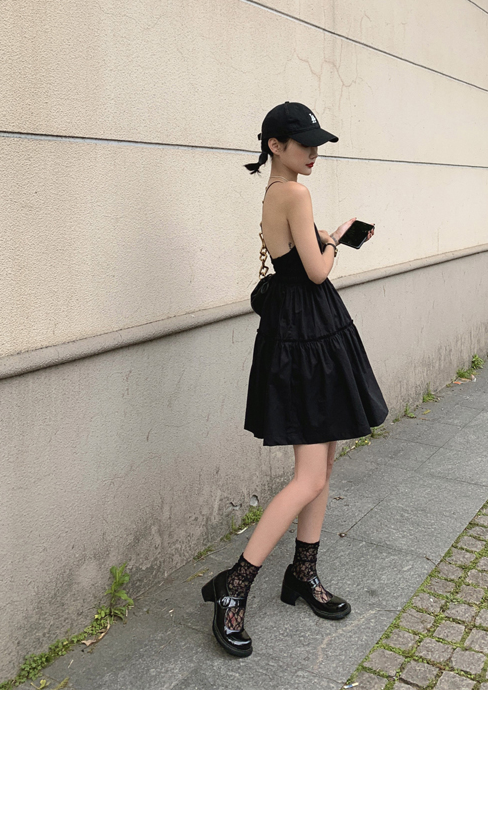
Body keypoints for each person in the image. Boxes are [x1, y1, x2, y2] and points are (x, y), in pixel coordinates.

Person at [201, 101, 389, 658]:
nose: (313, 153)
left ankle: (302, 573)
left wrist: (320, 238)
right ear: (274, 145)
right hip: (310, 335)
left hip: (300, 332)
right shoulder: (295, 194)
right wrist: (334, 241)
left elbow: (294, 259)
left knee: (321, 466)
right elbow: (316, 271)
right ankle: (234, 585)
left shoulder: (274, 193)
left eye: (316, 144)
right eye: (303, 144)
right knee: (310, 475)